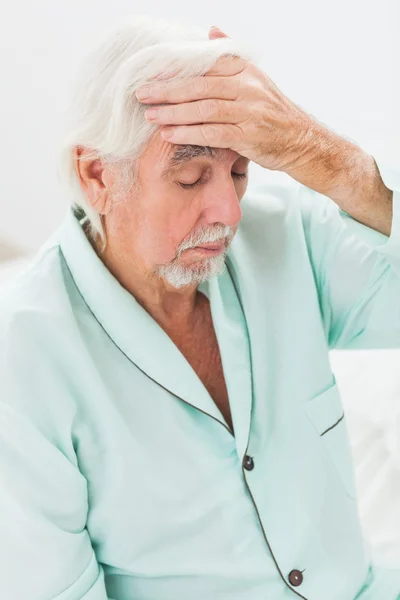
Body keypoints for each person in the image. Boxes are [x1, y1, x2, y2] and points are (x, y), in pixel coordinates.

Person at [1, 14, 399, 600]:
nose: (230, 212)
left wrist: (321, 155)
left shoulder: (289, 234)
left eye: (239, 171)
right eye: (190, 177)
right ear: (97, 176)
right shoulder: (25, 357)